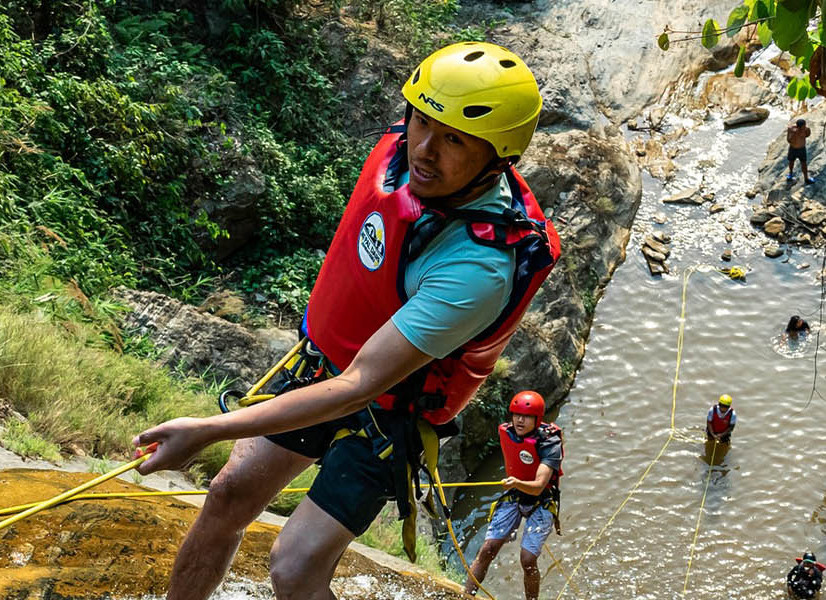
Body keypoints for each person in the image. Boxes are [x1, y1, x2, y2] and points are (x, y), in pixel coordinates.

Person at [131, 41, 560, 600]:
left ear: (500, 156)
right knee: (229, 494)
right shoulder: (404, 153)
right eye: (422, 121)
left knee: (295, 565)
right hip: (322, 363)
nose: (425, 150)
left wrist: (206, 429)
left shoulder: (477, 268)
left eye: (455, 139)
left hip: (388, 412)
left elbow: (359, 384)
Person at [463, 391, 564, 599]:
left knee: (527, 559)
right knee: (488, 549)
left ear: (537, 419)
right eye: (516, 414)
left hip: (542, 501)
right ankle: (465, 595)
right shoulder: (508, 432)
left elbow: (538, 486)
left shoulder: (549, 444)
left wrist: (517, 483)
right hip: (515, 495)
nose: (519, 420)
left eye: (526, 416)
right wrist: (516, 485)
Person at [785, 119, 814, 185]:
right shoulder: (791, 129)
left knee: (804, 163)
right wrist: (794, 134)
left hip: (802, 149)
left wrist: (806, 130)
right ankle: (790, 174)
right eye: (803, 126)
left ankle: (806, 179)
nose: (804, 127)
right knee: (791, 161)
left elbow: (808, 134)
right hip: (793, 149)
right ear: (798, 126)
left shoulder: (805, 129)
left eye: (805, 126)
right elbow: (789, 140)